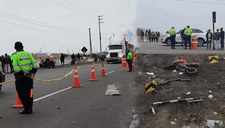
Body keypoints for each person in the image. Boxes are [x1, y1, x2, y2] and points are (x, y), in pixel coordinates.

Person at [11, 41, 38, 114]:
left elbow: (15, 67)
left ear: (15, 48)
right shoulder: (28, 54)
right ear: (22, 47)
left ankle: (26, 108)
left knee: (21, 93)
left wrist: (23, 73)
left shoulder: (14, 55)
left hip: (20, 78)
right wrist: (32, 72)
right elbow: (35, 65)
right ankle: (30, 108)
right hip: (29, 77)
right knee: (30, 93)